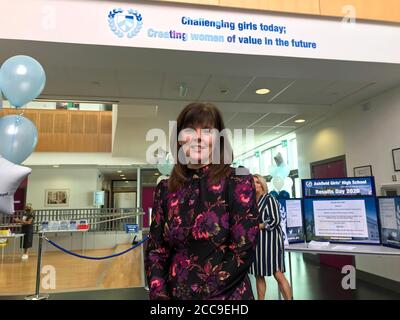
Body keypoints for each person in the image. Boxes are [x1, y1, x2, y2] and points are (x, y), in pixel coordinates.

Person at [145, 102, 259, 300]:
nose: (198, 137)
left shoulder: (238, 181)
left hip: (226, 297)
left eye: (207, 131)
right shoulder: (165, 189)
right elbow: (156, 251)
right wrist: (160, 295)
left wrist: (199, 296)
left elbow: (242, 251)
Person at [249, 174, 292, 300]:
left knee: (277, 273)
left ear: (263, 185)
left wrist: (257, 226)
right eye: (253, 182)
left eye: (258, 182)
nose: (255, 184)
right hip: (258, 243)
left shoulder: (269, 199)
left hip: (271, 242)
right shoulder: (251, 202)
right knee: (258, 274)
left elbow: (275, 220)